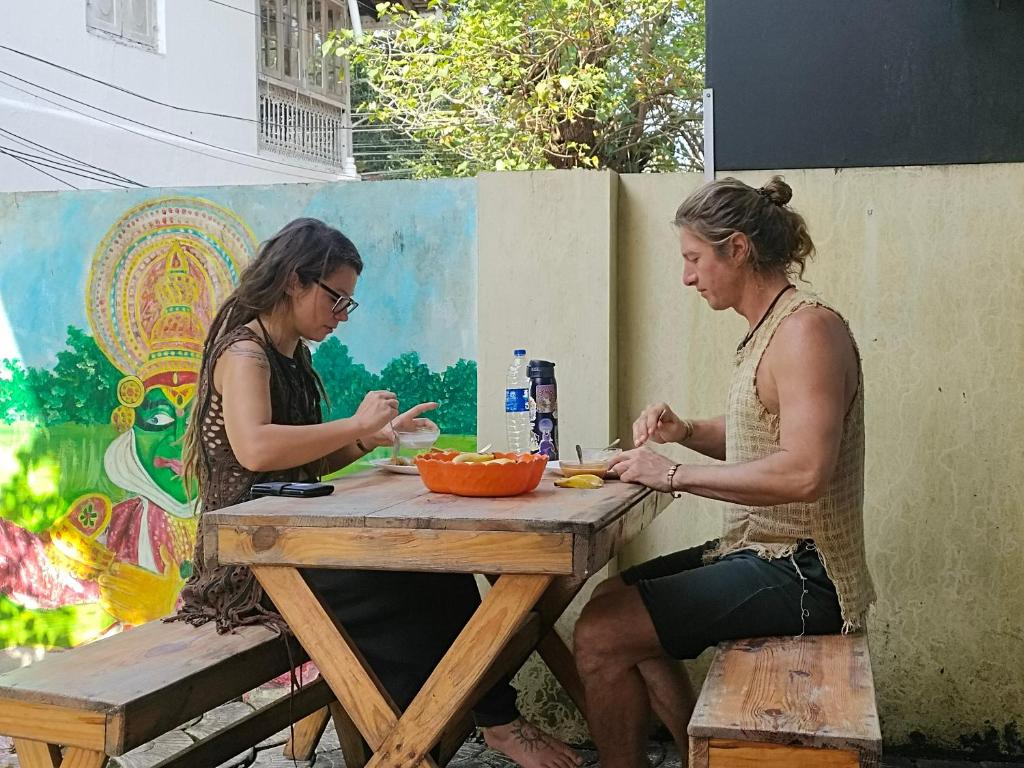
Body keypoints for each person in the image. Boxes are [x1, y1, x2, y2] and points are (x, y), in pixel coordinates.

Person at [169, 218, 580, 768]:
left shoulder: (290, 356)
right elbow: (257, 450)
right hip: (251, 564)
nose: (341, 315)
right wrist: (354, 423)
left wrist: (374, 436)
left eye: (347, 304)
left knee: (441, 574)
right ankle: (459, 728)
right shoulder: (245, 354)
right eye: (337, 299)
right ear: (295, 281)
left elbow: (304, 460)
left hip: (292, 542)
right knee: (405, 590)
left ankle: (471, 721)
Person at [572, 177, 876, 767]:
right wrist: (684, 432)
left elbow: (805, 471)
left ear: (736, 248)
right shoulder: (771, 329)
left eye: (693, 258)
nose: (687, 277)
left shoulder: (807, 331)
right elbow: (762, 437)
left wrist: (673, 473)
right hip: (766, 551)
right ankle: (701, 753)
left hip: (808, 573)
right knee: (616, 598)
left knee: (600, 634)